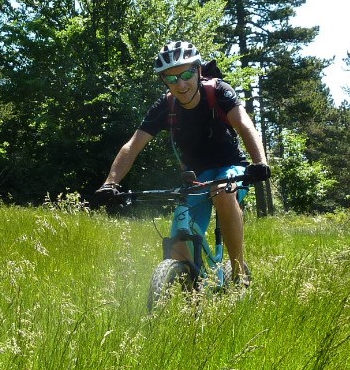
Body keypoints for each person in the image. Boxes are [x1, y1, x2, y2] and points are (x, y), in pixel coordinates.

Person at [96, 40, 270, 286]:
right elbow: (133, 145)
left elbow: (244, 124)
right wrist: (110, 183)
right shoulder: (165, 107)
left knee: (222, 192)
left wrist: (259, 163)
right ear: (164, 82)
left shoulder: (218, 91)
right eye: (171, 78)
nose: (181, 83)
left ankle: (239, 271)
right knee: (179, 236)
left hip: (231, 168)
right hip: (197, 177)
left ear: (198, 70)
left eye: (187, 73)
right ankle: (193, 293)